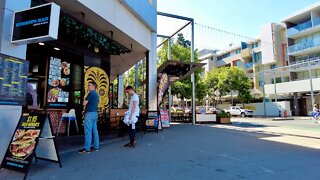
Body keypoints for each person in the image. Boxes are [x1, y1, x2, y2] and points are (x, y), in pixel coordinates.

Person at [79, 82, 100, 154]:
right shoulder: (97, 94)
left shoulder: (91, 93)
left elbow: (84, 103)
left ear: (93, 86)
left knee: (88, 131)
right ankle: (96, 147)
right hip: (95, 113)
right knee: (95, 131)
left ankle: (87, 148)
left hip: (89, 114)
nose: (88, 86)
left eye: (89, 85)